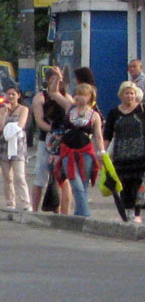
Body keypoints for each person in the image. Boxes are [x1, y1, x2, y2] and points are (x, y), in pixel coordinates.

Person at [48, 77, 105, 218]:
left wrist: (102, 152)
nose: (79, 97)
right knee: (76, 184)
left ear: (90, 97)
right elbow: (54, 93)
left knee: (83, 186)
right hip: (67, 151)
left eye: (83, 94)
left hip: (85, 152)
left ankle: (79, 217)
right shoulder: (69, 107)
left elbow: (98, 136)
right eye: (77, 94)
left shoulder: (94, 115)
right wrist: (58, 78)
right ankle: (86, 216)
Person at [104, 80, 145, 223]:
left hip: (140, 155)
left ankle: (137, 214)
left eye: (132, 93)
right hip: (121, 155)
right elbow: (107, 134)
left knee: (138, 184)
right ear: (121, 95)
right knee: (123, 184)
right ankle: (126, 213)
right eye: (127, 93)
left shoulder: (141, 110)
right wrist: (103, 153)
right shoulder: (114, 113)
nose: (130, 96)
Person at [32, 67, 69, 213]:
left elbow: (71, 112)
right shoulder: (41, 97)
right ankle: (34, 210)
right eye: (54, 79)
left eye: (59, 79)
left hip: (64, 140)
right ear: (48, 80)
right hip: (46, 139)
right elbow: (39, 121)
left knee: (63, 177)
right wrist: (53, 132)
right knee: (41, 173)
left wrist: (63, 134)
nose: (57, 82)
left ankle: (64, 213)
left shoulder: (66, 97)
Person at [0, 84, 31, 210]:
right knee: (7, 177)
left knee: (19, 176)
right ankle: (10, 203)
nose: (10, 96)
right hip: (3, 145)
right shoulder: (1, 110)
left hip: (18, 145)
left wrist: (8, 129)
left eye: (13, 94)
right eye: (8, 94)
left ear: (18, 96)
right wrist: (4, 114)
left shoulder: (23, 109)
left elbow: (20, 126)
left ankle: (26, 203)